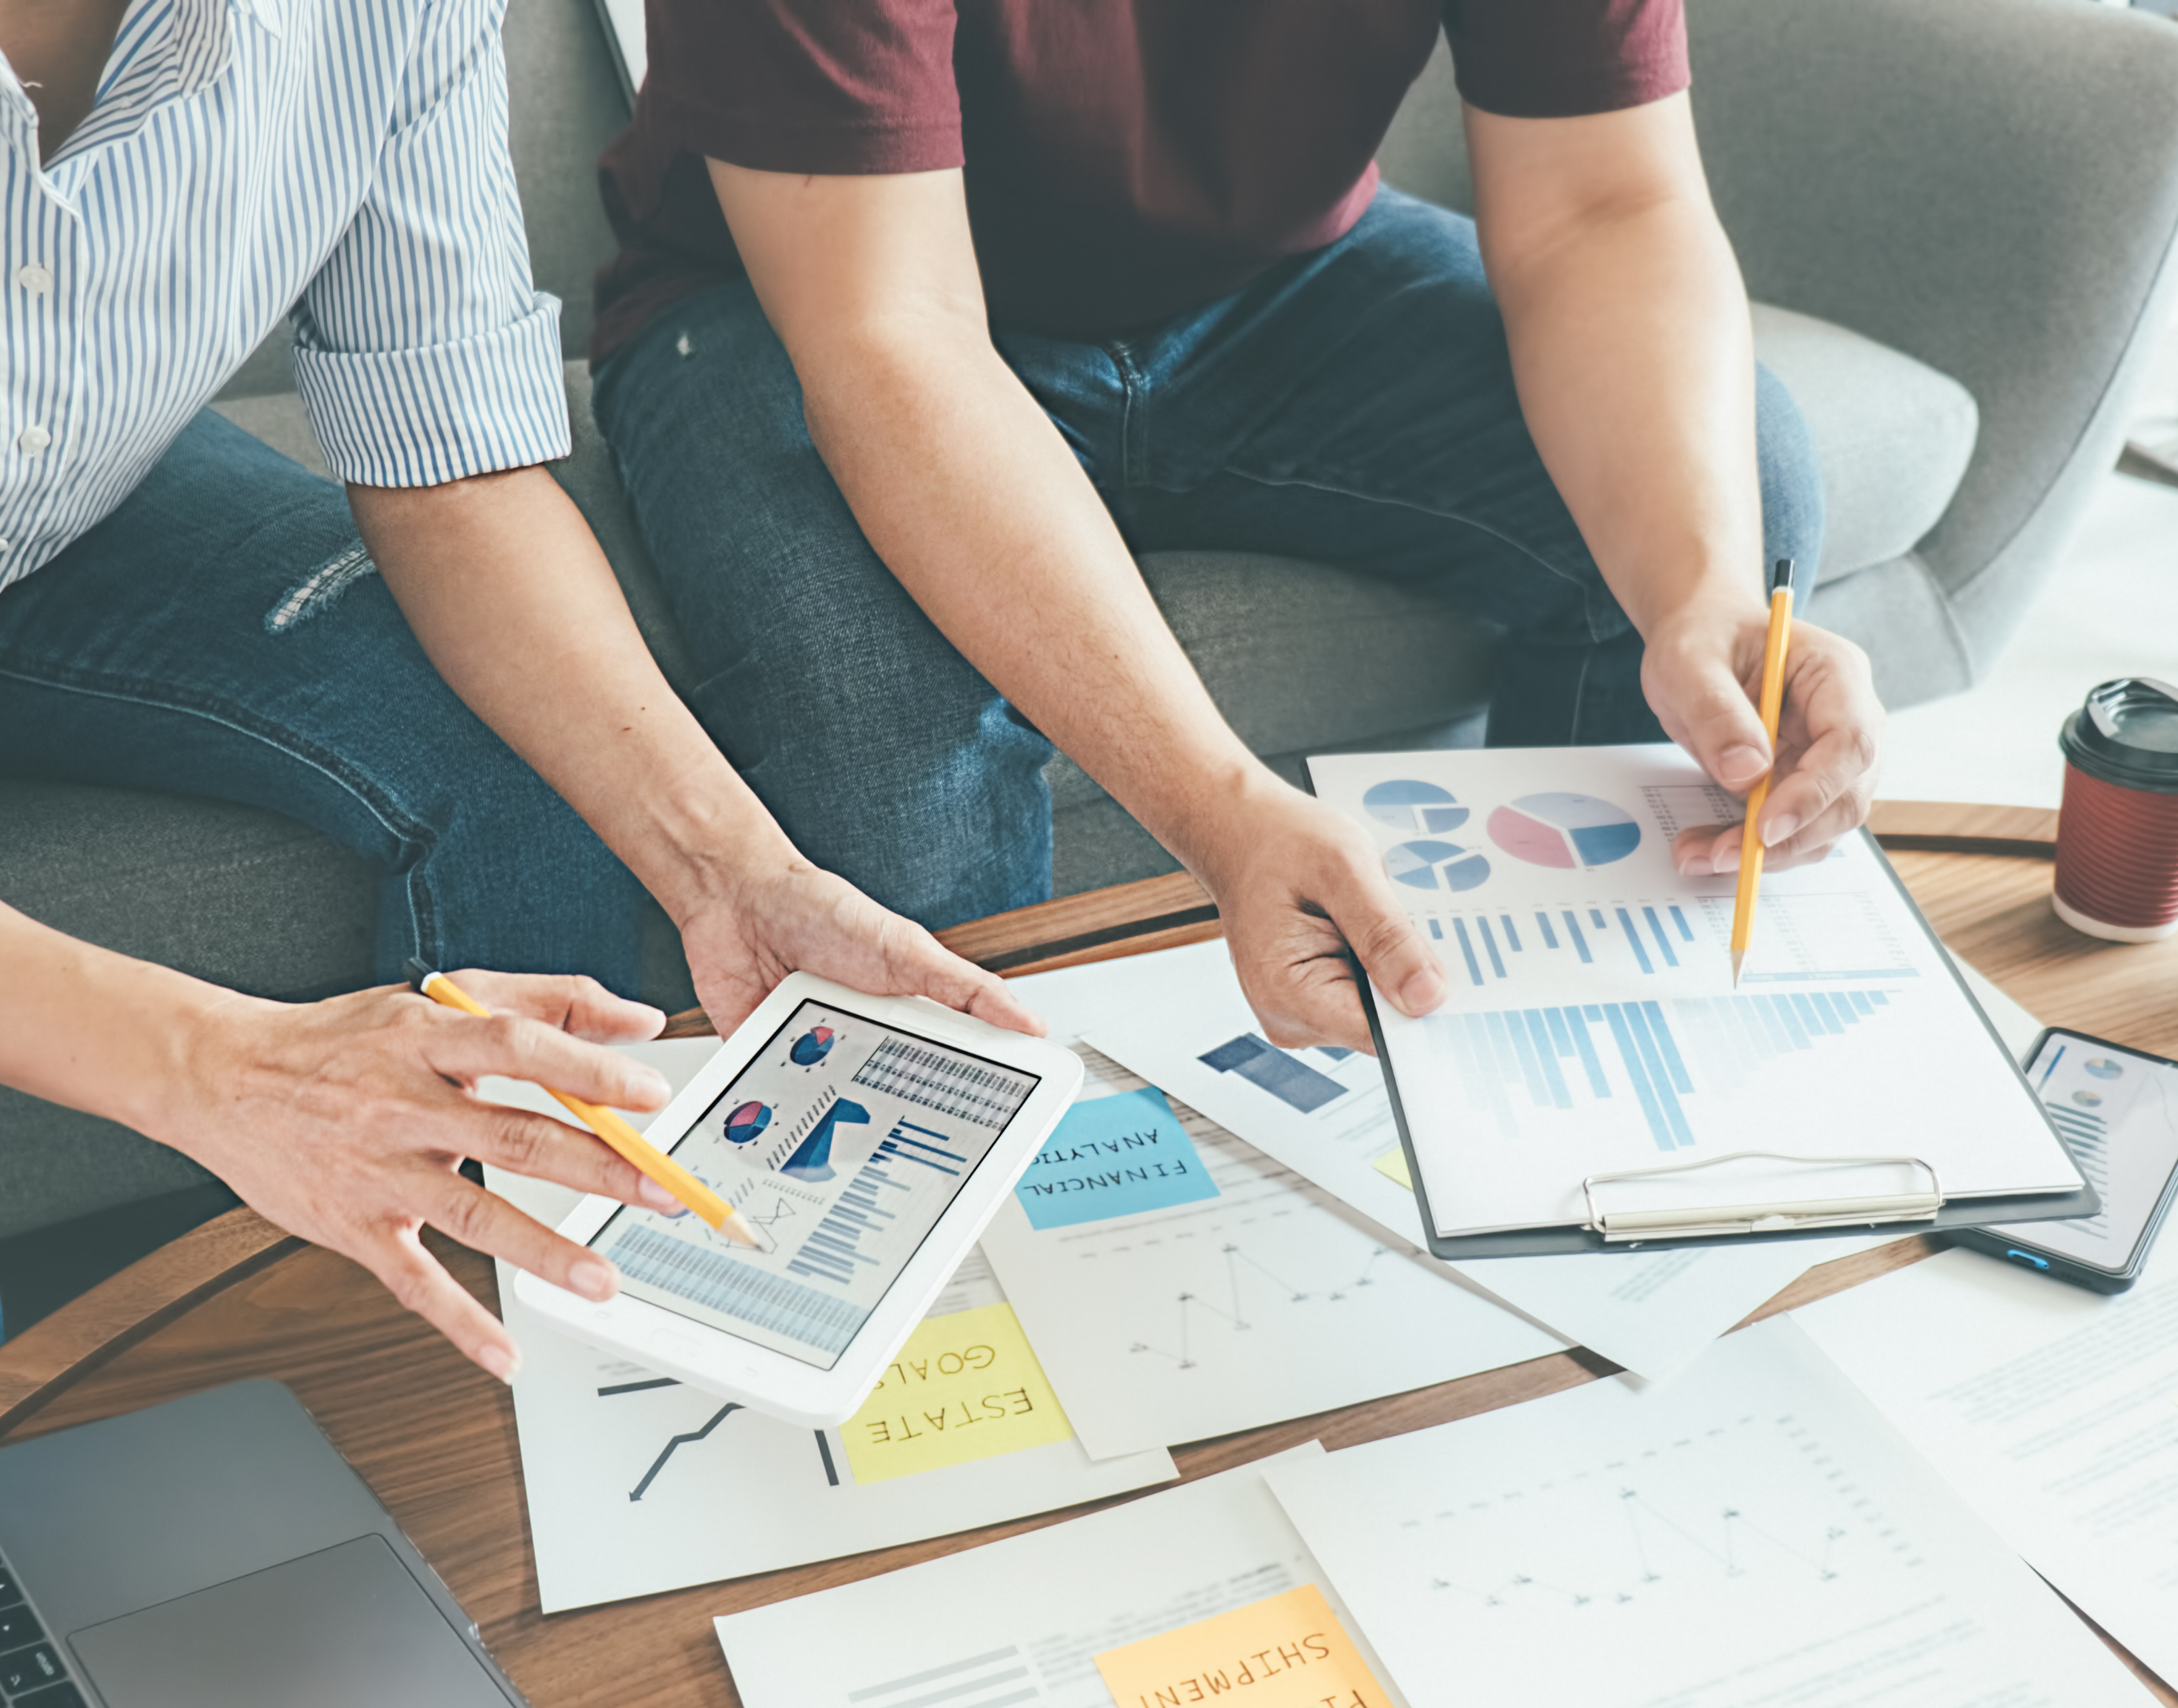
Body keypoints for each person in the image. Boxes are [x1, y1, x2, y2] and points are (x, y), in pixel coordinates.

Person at [0, 0, 1035, 1380]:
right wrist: (221, 1066)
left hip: (70, 497)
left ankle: (546, 1398)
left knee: (541, 764)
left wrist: (727, 866)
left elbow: (453, 461)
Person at [589, 0, 1886, 1052]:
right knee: (885, 727)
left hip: (1270, 282)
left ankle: (1546, 1078)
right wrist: (1223, 814)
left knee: (1739, 496)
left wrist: (1700, 593)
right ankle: (991, 1227)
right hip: (799, 300)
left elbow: (1606, 205)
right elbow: (896, 337)